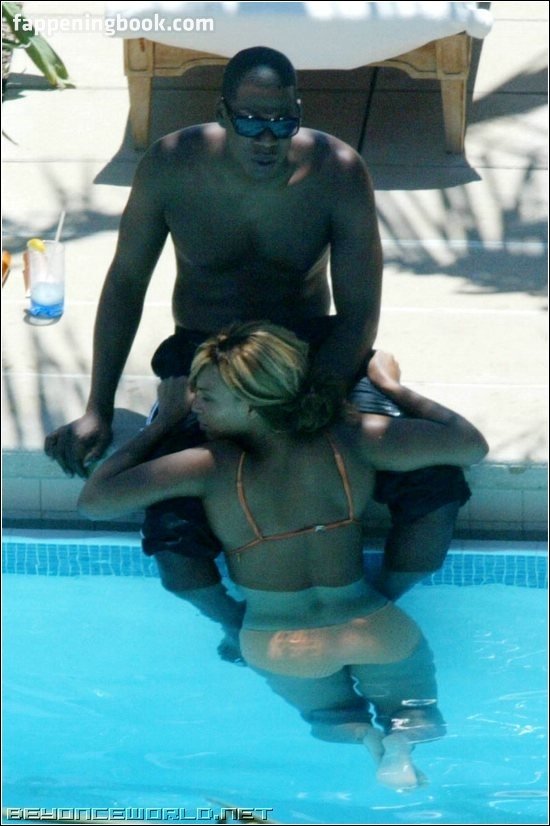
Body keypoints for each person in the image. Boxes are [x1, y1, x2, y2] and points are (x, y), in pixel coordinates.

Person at [48, 46, 470, 607]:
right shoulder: (171, 166)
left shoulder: (337, 171)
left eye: (282, 122)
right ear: (222, 114)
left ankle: (380, 603)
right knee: (173, 533)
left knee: (437, 489)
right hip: (209, 358)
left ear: (299, 112)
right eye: (250, 122)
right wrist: (98, 407)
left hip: (310, 358)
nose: (267, 138)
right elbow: (126, 284)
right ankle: (233, 627)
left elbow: (360, 314)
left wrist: (315, 397)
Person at [78, 322, 487, 786]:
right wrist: (391, 386)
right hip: (374, 624)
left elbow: (95, 501)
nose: (196, 405)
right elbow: (471, 444)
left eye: (206, 397)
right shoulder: (351, 438)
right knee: (416, 714)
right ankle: (400, 745)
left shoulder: (210, 465)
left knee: (332, 719)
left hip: (280, 642)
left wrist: (165, 423)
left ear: (251, 403)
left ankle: (366, 741)